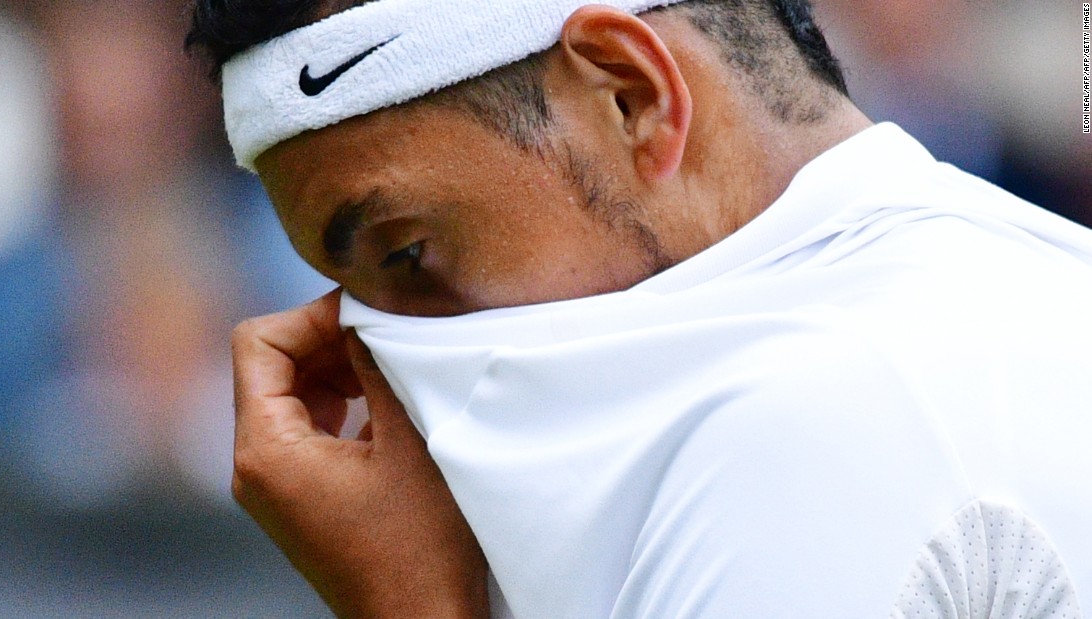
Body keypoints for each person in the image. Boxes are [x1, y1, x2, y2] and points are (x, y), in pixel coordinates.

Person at [187, 1, 1092, 617]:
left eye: (408, 257)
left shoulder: (816, 429)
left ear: (632, 96)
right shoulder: (1029, 285)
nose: (379, 363)